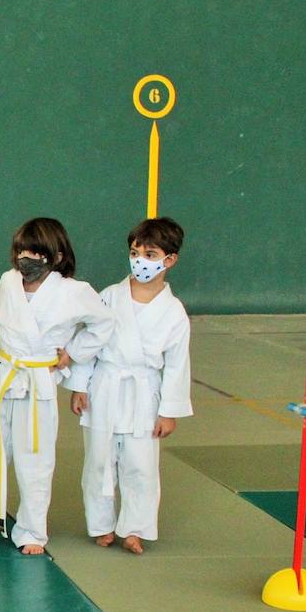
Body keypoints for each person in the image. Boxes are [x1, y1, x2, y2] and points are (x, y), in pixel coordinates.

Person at [0, 218, 114, 554]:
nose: (24, 257)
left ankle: (31, 531)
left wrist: (72, 353)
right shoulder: (8, 282)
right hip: (8, 373)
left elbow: (103, 324)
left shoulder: (75, 291)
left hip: (40, 378)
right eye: (20, 251)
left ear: (55, 256)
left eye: (33, 252)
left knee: (36, 459)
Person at [69, 218, 192, 555]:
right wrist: (79, 385)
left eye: (149, 253)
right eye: (135, 252)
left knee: (140, 464)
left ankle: (135, 528)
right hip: (104, 386)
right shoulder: (109, 296)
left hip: (143, 392)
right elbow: (89, 341)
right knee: (98, 460)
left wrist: (169, 411)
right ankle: (102, 524)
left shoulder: (174, 312)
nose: (139, 260)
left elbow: (178, 364)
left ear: (169, 260)